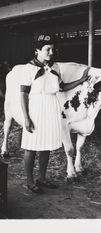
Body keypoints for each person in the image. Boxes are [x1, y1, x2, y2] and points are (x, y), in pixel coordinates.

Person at [20, 34, 89, 194]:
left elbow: (62, 87)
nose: (51, 52)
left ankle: (41, 178)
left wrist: (80, 80)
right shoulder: (28, 68)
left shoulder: (55, 67)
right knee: (31, 146)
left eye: (52, 49)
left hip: (52, 106)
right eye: (47, 49)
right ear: (37, 50)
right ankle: (29, 181)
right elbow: (23, 94)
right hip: (36, 108)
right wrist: (26, 117)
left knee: (46, 146)